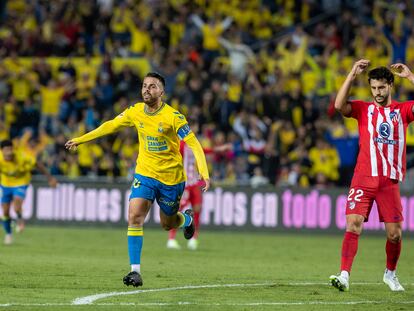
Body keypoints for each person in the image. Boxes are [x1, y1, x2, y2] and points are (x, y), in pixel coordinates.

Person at [65, 72, 210, 287]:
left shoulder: (174, 117)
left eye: (152, 86)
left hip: (171, 178)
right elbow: (110, 125)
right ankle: (135, 271)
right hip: (145, 173)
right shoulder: (135, 112)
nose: (147, 90)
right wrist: (81, 139)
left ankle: (186, 220)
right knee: (134, 216)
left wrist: (204, 172)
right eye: (144, 86)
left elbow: (194, 143)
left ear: (162, 92)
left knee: (167, 223)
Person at [329, 60, 414, 292]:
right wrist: (352, 73)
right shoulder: (363, 109)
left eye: (381, 88)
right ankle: (344, 274)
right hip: (363, 178)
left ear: (390, 86)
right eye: (374, 88)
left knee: (394, 235)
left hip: (389, 182)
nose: (377, 93)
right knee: (353, 224)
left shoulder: (402, 111)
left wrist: (410, 76)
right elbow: (338, 105)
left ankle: (390, 274)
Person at [0, 139, 57, 245]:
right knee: (5, 212)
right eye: (6, 150)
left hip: (21, 182)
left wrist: (50, 179)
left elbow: (38, 164)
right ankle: (8, 234)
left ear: (13, 150)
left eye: (10, 150)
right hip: (5, 184)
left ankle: (19, 218)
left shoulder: (22, 157)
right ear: (1, 151)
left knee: (17, 206)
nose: (8, 153)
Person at [167, 136, 204, 251]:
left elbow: (203, 152)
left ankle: (193, 238)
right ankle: (171, 239)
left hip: (195, 183)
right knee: (179, 210)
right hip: (185, 183)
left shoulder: (195, 143)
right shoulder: (181, 144)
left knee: (197, 208)